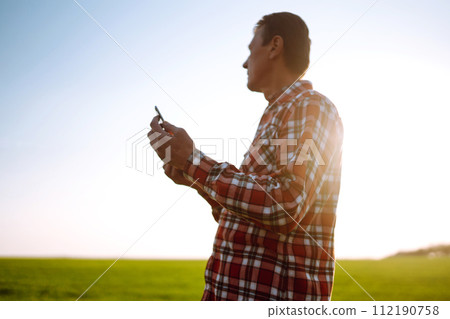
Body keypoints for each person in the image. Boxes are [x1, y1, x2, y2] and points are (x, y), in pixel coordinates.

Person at [148, 12, 344, 300]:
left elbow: (286, 205)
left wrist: (193, 160)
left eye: (251, 50)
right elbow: (252, 221)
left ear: (275, 47)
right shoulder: (279, 113)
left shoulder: (309, 107)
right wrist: (192, 178)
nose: (244, 62)